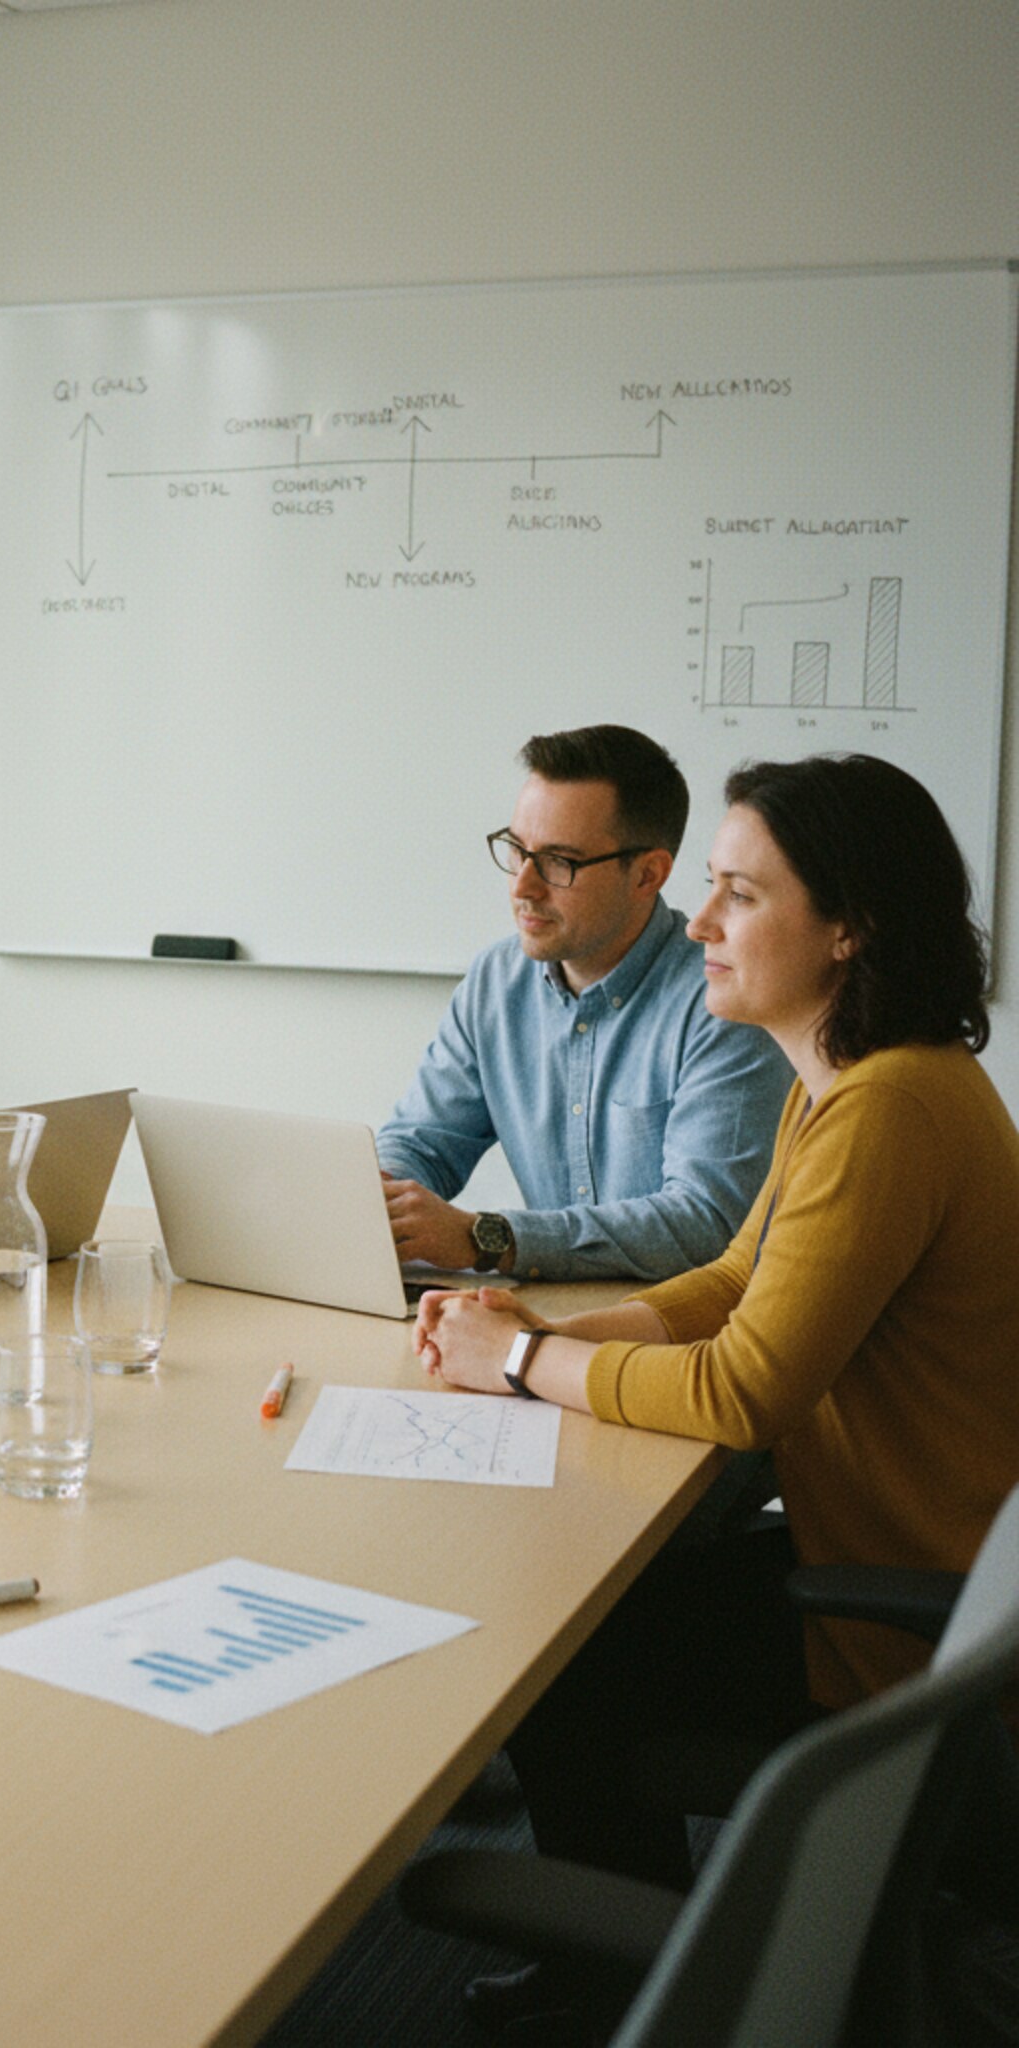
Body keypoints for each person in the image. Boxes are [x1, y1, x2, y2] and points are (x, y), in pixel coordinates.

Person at [417, 754, 1019, 2028]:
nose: (697, 922)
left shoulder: (886, 1110)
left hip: (898, 1638)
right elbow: (732, 1275)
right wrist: (536, 1323)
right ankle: (627, 1960)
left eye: (736, 894)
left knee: (566, 1650)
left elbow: (742, 1388)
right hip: (911, 1574)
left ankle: (634, 1987)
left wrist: (520, 1365)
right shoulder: (856, 1076)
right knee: (594, 1621)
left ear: (845, 925)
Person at [378, 724, 791, 1282]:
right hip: (546, 1316)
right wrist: (381, 1198)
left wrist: (487, 1239)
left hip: (676, 1337)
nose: (523, 886)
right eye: (517, 850)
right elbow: (422, 1143)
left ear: (648, 874)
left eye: (558, 862)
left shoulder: (722, 1000)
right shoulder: (495, 982)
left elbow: (707, 1222)